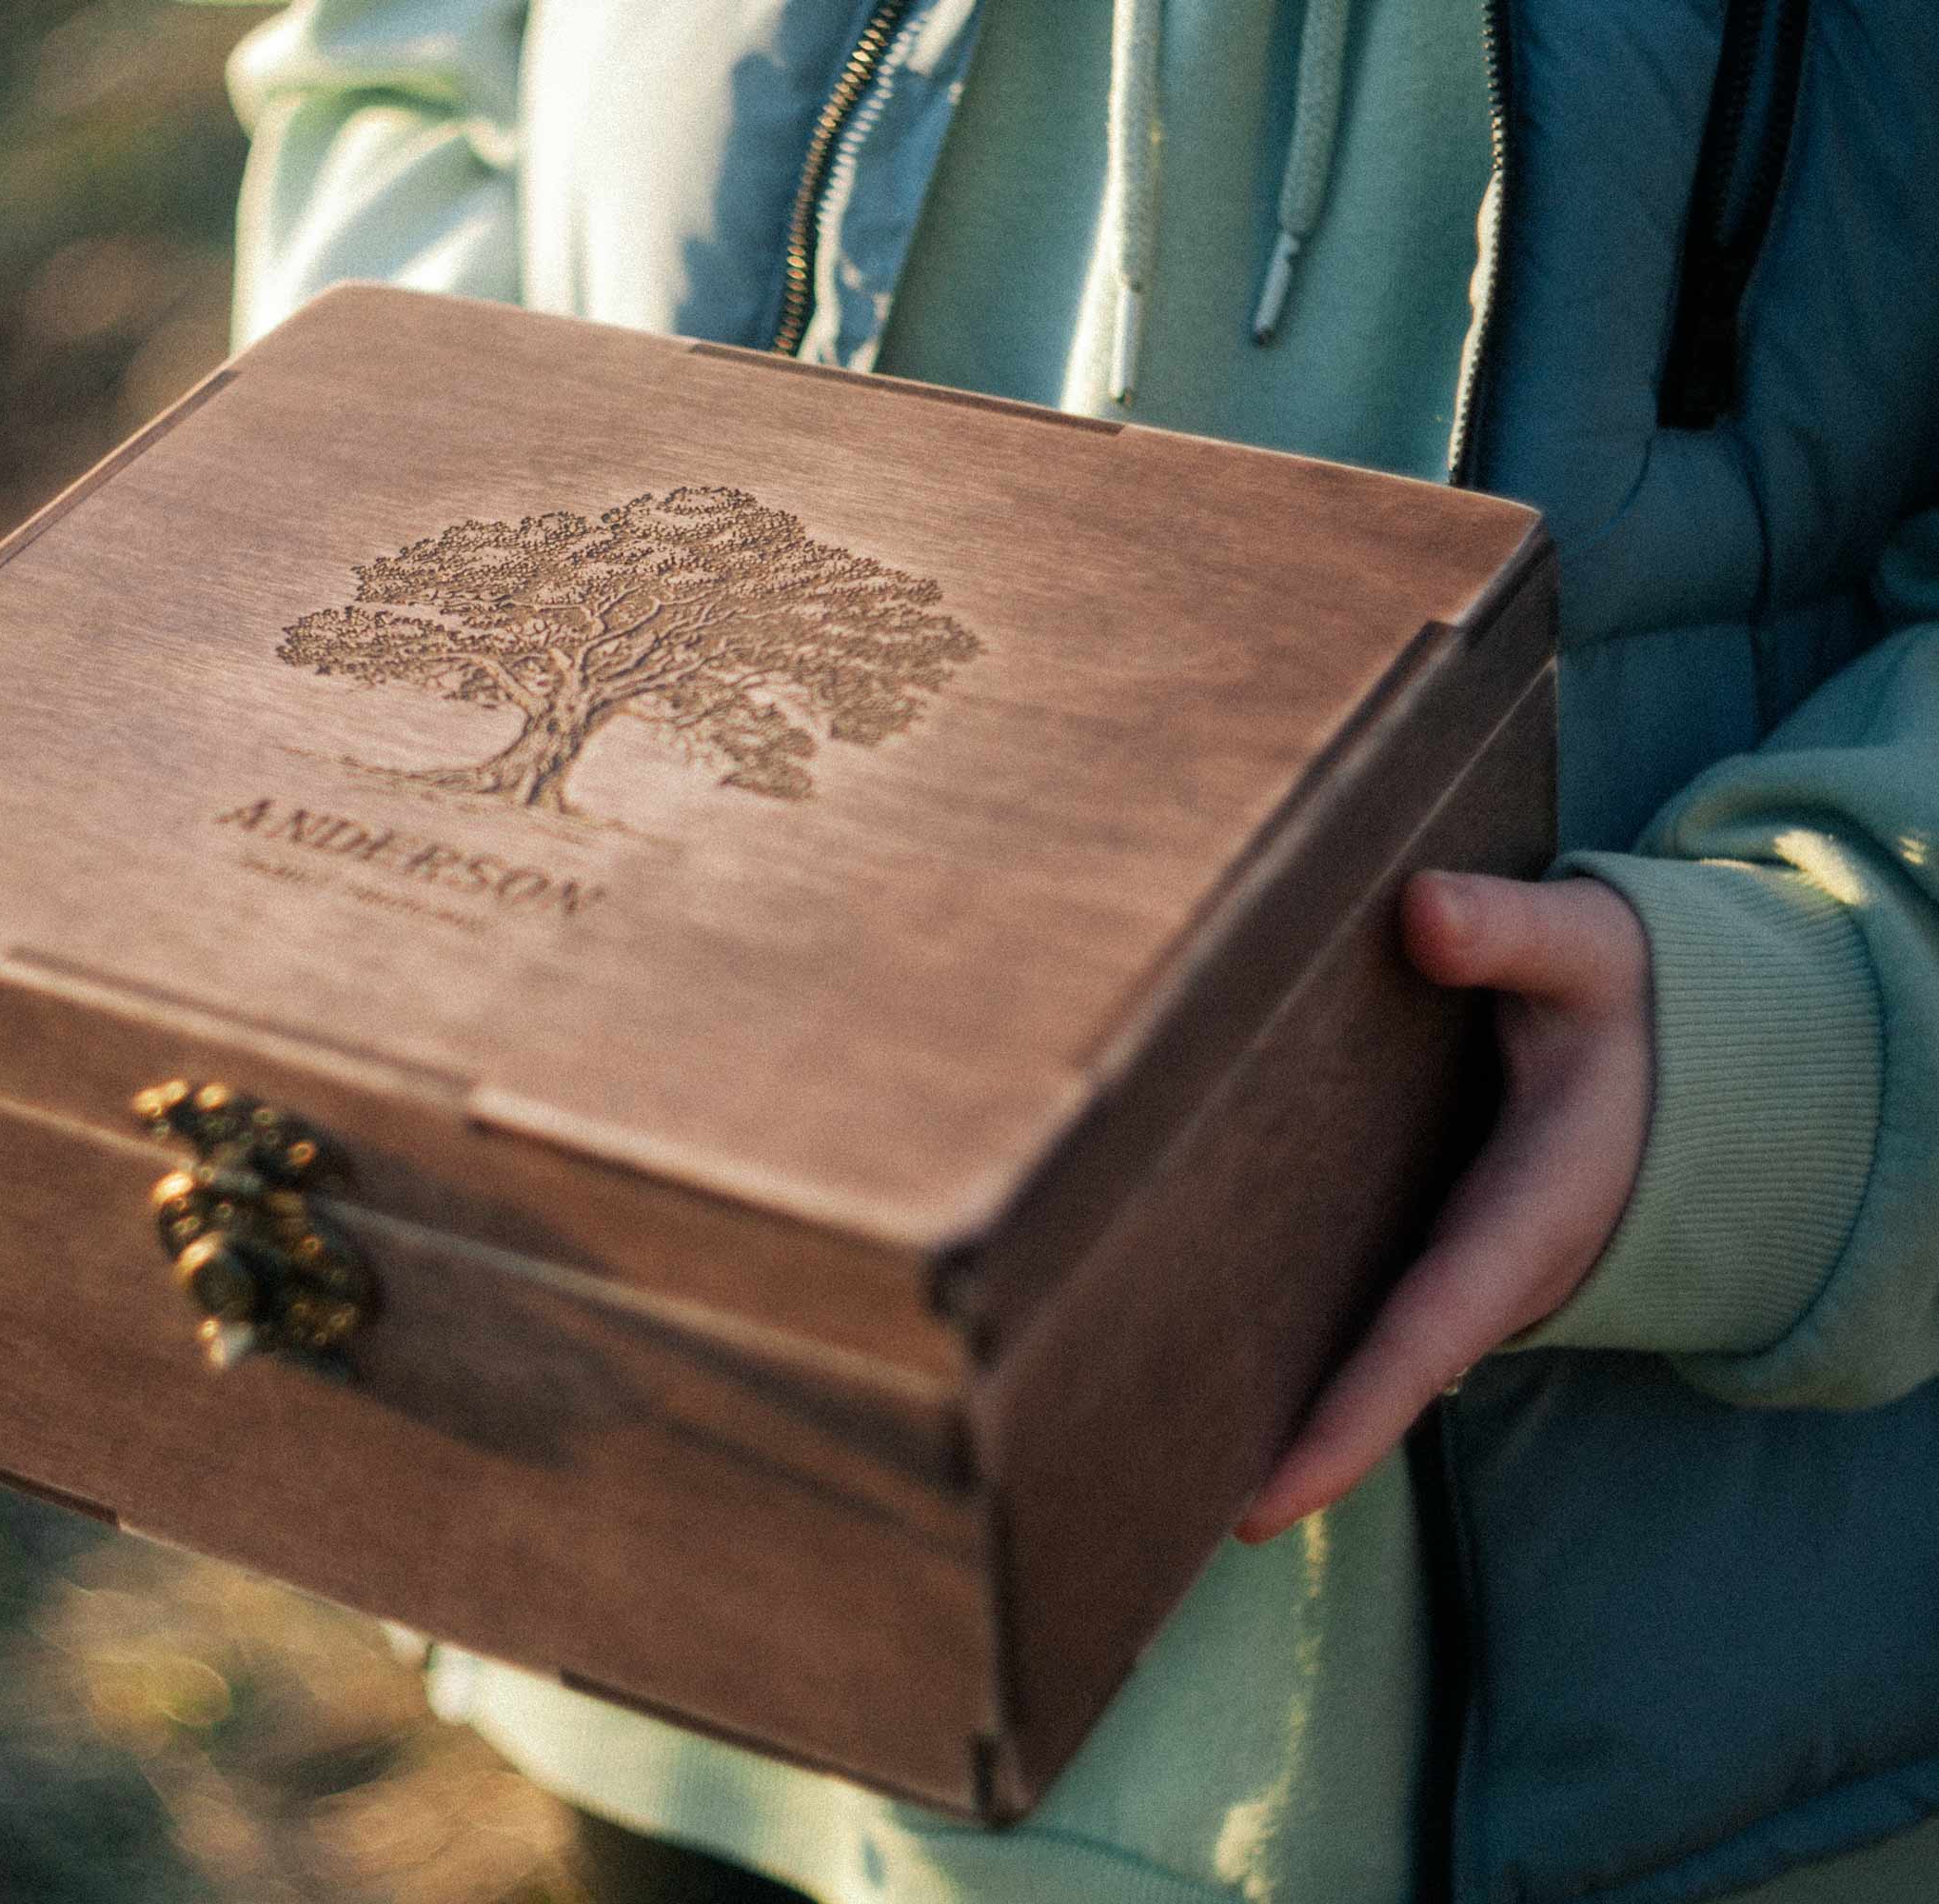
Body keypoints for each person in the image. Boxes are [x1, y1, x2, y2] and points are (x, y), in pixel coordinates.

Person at [207, 2, 1939, 1897]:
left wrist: (1832, 1002)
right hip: (662, 1562)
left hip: (1545, 1660)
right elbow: (404, 74)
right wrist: (412, 516)